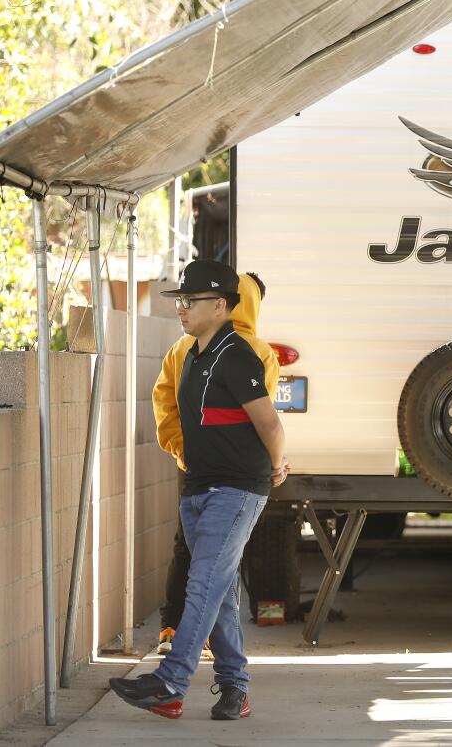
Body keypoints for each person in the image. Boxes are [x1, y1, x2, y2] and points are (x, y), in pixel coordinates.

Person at [110, 259, 289, 721]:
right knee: (220, 591)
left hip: (237, 488)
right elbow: (170, 407)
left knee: (204, 583)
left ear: (222, 306)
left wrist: (277, 465)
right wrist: (181, 453)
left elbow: (269, 422)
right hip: (198, 486)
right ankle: (235, 688)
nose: (182, 308)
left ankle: (171, 681)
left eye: (191, 301)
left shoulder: (240, 353)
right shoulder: (189, 353)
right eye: (181, 300)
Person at [152, 273, 280, 657]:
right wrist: (273, 463)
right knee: (222, 560)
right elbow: (263, 416)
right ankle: (206, 656)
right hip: (237, 476)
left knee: (189, 550)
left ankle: (175, 633)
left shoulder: (183, 348)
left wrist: (182, 451)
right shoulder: (258, 351)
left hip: (195, 468)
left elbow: (164, 403)